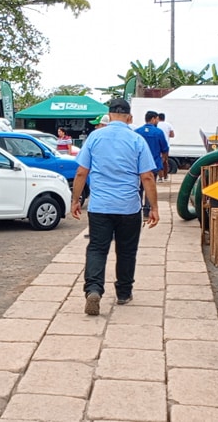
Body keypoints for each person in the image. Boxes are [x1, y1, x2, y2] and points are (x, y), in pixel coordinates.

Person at [71, 98, 159, 316]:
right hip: (129, 207)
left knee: (97, 248)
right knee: (127, 250)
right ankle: (123, 293)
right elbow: (147, 176)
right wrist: (153, 207)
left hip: (100, 206)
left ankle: (93, 290)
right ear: (129, 118)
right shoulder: (136, 139)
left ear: (109, 116)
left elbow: (82, 172)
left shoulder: (94, 137)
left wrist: (76, 201)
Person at [135, 111, 169, 219]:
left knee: (139, 187)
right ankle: (147, 209)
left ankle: (137, 208)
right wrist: (163, 159)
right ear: (153, 119)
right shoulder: (158, 132)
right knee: (150, 186)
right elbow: (165, 148)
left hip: (138, 165)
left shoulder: (137, 132)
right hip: (153, 164)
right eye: (157, 119)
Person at [156, 112, 175, 182]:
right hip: (166, 145)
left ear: (158, 118)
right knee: (165, 161)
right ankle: (166, 176)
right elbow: (172, 135)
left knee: (159, 160)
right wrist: (166, 135)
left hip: (157, 145)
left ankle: (160, 177)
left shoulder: (156, 125)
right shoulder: (168, 125)